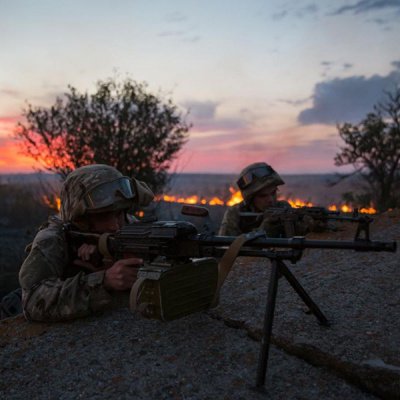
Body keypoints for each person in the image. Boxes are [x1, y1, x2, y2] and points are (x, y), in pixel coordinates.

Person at [18, 164, 154, 322]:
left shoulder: (128, 225)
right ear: (81, 219)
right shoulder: (53, 239)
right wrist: (103, 281)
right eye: (103, 216)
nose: (115, 226)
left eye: (119, 213)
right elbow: (32, 302)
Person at [219, 162, 291, 237]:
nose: (270, 200)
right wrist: (262, 232)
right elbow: (227, 247)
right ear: (251, 198)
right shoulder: (236, 213)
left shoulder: (283, 208)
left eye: (273, 193)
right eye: (263, 196)